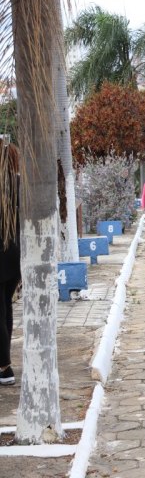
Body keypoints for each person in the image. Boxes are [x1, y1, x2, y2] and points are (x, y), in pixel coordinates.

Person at [0, 141, 20, 386]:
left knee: (1, 310)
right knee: (6, 307)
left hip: (2, 254)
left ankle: (4, 367)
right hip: (15, 255)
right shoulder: (17, 184)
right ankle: (4, 363)